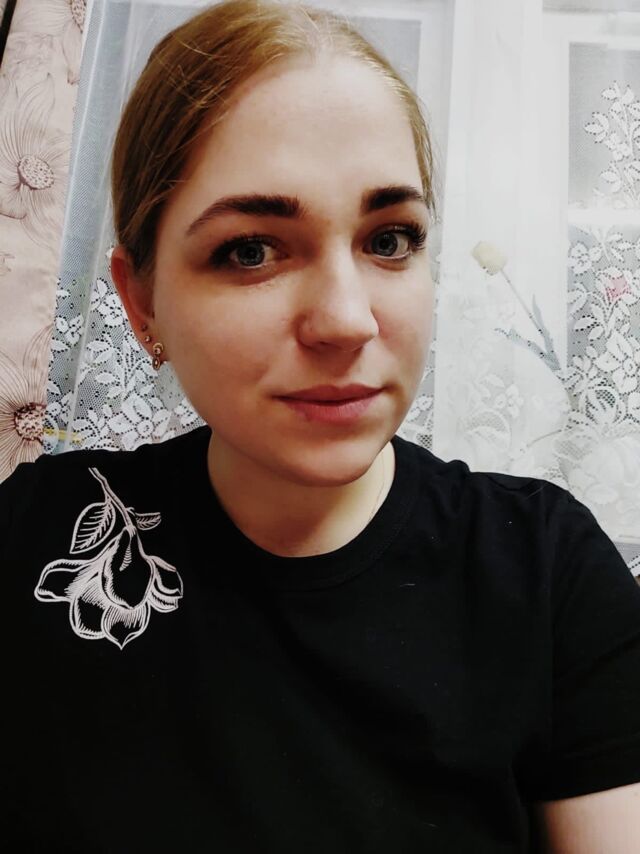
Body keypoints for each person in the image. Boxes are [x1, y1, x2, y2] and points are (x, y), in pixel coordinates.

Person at [3, 0, 639, 851]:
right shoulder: (34, 539)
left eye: (390, 240)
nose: (345, 320)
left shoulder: (544, 573)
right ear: (142, 300)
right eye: (251, 250)